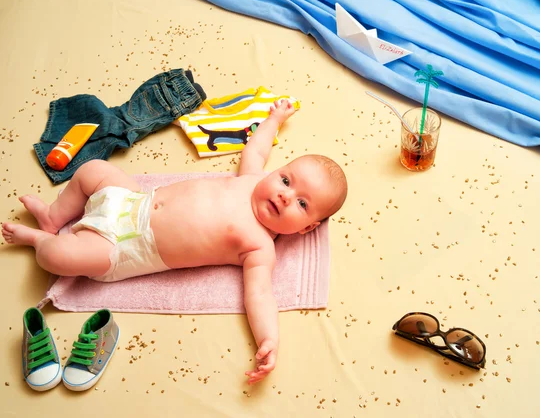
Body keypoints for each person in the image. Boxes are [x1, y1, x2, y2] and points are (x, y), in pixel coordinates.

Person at [2, 99, 348, 385]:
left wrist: (269, 339)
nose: (286, 196)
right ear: (277, 171)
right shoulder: (252, 178)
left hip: (126, 248)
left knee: (58, 258)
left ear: (307, 228)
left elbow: (259, 295)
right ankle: (54, 216)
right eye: (286, 180)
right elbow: (256, 149)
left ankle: (38, 239)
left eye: (302, 204)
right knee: (92, 169)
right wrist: (275, 119)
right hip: (131, 200)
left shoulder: (259, 246)